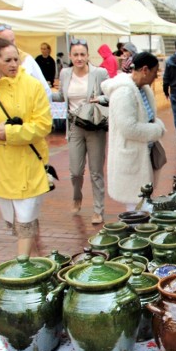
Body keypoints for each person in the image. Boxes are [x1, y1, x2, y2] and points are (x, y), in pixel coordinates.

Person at [0, 38, 52, 256]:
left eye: (16, 59)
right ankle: (34, 262)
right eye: (7, 60)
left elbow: (43, 125)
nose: (14, 64)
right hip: (3, 167)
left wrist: (9, 132)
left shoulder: (32, 86)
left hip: (29, 164)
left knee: (26, 220)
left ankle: (23, 265)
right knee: (18, 223)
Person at [52, 38, 109, 225]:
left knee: (95, 171)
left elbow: (109, 94)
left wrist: (98, 99)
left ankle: (98, 209)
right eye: (75, 54)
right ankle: (77, 196)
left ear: (87, 56)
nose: (79, 58)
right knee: (75, 171)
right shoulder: (65, 73)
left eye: (82, 54)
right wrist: (44, 92)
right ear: (70, 56)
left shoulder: (99, 73)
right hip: (75, 125)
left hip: (94, 125)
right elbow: (61, 95)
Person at [101, 52, 165, 211]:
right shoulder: (124, 92)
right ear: (145, 70)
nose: (156, 76)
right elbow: (129, 128)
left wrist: (155, 126)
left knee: (142, 203)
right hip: (131, 157)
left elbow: (148, 117)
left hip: (142, 155)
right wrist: (157, 130)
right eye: (155, 72)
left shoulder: (142, 89)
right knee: (136, 208)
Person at [0, 23, 52, 102]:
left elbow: (45, 90)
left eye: (13, 40)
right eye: (6, 42)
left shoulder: (26, 59)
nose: (12, 45)